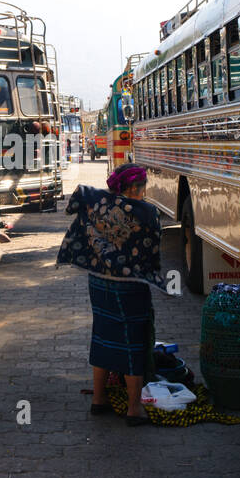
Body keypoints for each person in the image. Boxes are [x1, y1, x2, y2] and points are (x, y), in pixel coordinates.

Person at [56, 162, 168, 427]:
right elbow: (153, 249)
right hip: (129, 286)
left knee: (103, 334)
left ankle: (99, 400)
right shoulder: (146, 213)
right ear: (134, 187)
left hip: (98, 282)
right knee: (133, 343)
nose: (144, 191)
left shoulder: (98, 204)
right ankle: (134, 409)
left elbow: (78, 203)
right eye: (142, 187)